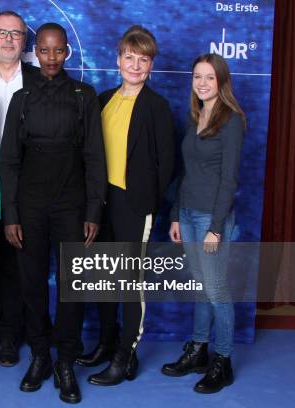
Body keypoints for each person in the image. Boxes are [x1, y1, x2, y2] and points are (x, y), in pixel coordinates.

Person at [0, 23, 106, 404]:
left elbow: (95, 157)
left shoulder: (84, 96)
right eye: (44, 51)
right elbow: (8, 160)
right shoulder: (22, 98)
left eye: (58, 50)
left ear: (67, 53)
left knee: (72, 285)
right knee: (30, 283)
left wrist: (93, 209)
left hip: (72, 204)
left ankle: (65, 360)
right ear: (35, 52)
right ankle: (40, 354)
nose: (51, 58)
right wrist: (10, 213)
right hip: (29, 205)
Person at [81, 25, 175, 387]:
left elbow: (166, 164)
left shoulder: (156, 106)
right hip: (102, 202)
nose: (135, 65)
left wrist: (146, 203)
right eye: (130, 57)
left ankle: (125, 355)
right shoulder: (103, 99)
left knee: (129, 282)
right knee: (104, 277)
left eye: (144, 59)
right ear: (118, 59)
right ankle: (105, 343)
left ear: (151, 65)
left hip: (134, 204)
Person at [162, 53, 245, 394]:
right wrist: (175, 214)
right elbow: (186, 173)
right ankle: (198, 350)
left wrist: (215, 227)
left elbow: (229, 179)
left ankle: (222, 361)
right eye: (198, 76)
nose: (202, 83)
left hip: (211, 218)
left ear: (221, 81)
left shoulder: (232, 120)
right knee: (201, 288)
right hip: (188, 214)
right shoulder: (194, 115)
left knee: (217, 291)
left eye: (210, 77)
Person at [0, 10, 39, 367]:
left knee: (18, 263)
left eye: (16, 34)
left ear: (24, 40)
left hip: (25, 185)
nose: (9, 40)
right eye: (2, 33)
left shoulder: (37, 80)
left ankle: (11, 336)